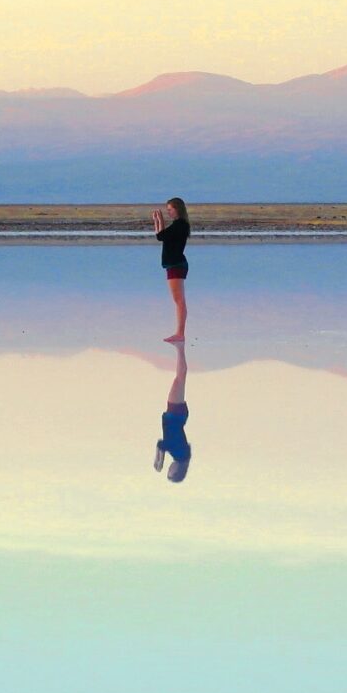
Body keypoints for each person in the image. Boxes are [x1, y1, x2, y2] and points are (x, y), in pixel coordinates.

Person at [152, 196, 190, 342]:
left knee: (179, 300)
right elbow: (161, 237)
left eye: (170, 210)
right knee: (178, 300)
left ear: (177, 209)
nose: (168, 212)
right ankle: (180, 333)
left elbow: (160, 235)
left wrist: (159, 220)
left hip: (176, 265)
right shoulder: (178, 225)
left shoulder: (180, 225)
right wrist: (158, 220)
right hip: (174, 264)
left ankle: (180, 333)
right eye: (167, 210)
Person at [154, 339, 192, 483]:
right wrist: (159, 460)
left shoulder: (180, 455)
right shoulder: (180, 455)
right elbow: (164, 444)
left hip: (176, 415)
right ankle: (180, 346)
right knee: (180, 378)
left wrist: (159, 459)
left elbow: (163, 444)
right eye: (170, 473)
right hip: (175, 415)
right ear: (176, 472)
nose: (168, 470)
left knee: (180, 379)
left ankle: (180, 346)